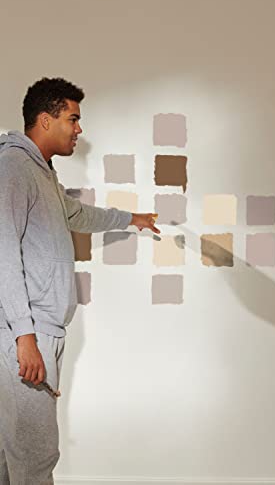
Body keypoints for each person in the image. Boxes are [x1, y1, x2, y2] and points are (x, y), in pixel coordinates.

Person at [0, 77, 160, 484]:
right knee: (34, 454)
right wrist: (24, 336)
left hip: (36, 330)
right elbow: (3, 254)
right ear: (45, 120)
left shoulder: (41, 174)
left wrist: (131, 219)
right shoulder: (15, 167)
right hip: (25, 333)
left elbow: (77, 215)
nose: (78, 129)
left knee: (13, 452)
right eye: (72, 119)